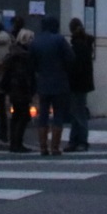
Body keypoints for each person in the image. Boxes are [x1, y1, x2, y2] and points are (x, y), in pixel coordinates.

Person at [29, 15, 74, 155]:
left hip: (43, 82)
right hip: (59, 81)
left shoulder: (36, 41)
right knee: (58, 115)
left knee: (43, 114)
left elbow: (31, 63)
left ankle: (43, 146)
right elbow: (71, 58)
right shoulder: (60, 40)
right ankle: (55, 146)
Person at [0, 28, 36, 153]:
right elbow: (25, 75)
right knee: (23, 116)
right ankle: (17, 143)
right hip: (21, 89)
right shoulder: (24, 56)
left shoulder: (13, 53)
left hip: (13, 89)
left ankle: (14, 143)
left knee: (16, 116)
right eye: (31, 39)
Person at [65, 17, 94, 151]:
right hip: (84, 83)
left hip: (76, 83)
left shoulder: (77, 46)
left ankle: (79, 140)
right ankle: (76, 140)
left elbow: (75, 66)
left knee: (78, 113)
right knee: (78, 111)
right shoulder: (85, 43)